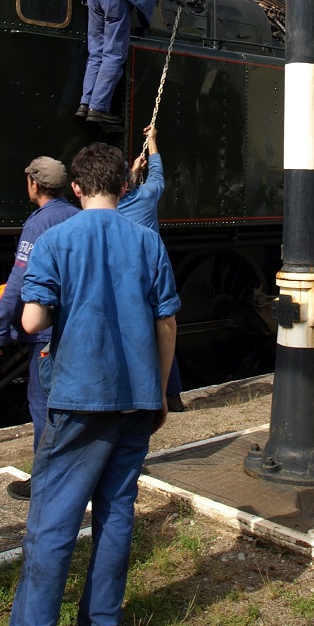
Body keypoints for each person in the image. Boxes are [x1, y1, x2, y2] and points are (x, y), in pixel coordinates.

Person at [0, 142, 180, 626]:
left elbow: (32, 321)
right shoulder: (148, 241)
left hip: (78, 396)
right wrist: (163, 391)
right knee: (116, 517)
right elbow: (167, 323)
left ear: (76, 188)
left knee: (53, 524)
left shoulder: (56, 238)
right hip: (137, 399)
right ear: (125, 187)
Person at [0, 157, 79, 500]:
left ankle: (45, 479)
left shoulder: (39, 224)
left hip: (46, 331)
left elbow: (19, 279)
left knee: (44, 405)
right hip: (74, 327)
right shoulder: (78, 216)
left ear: (34, 185)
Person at [118, 124, 186, 412]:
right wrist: (153, 142)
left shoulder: (111, 208)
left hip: (124, 278)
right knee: (163, 328)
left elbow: (121, 189)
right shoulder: (146, 197)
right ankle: (172, 395)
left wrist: (132, 171)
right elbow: (157, 174)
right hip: (151, 275)